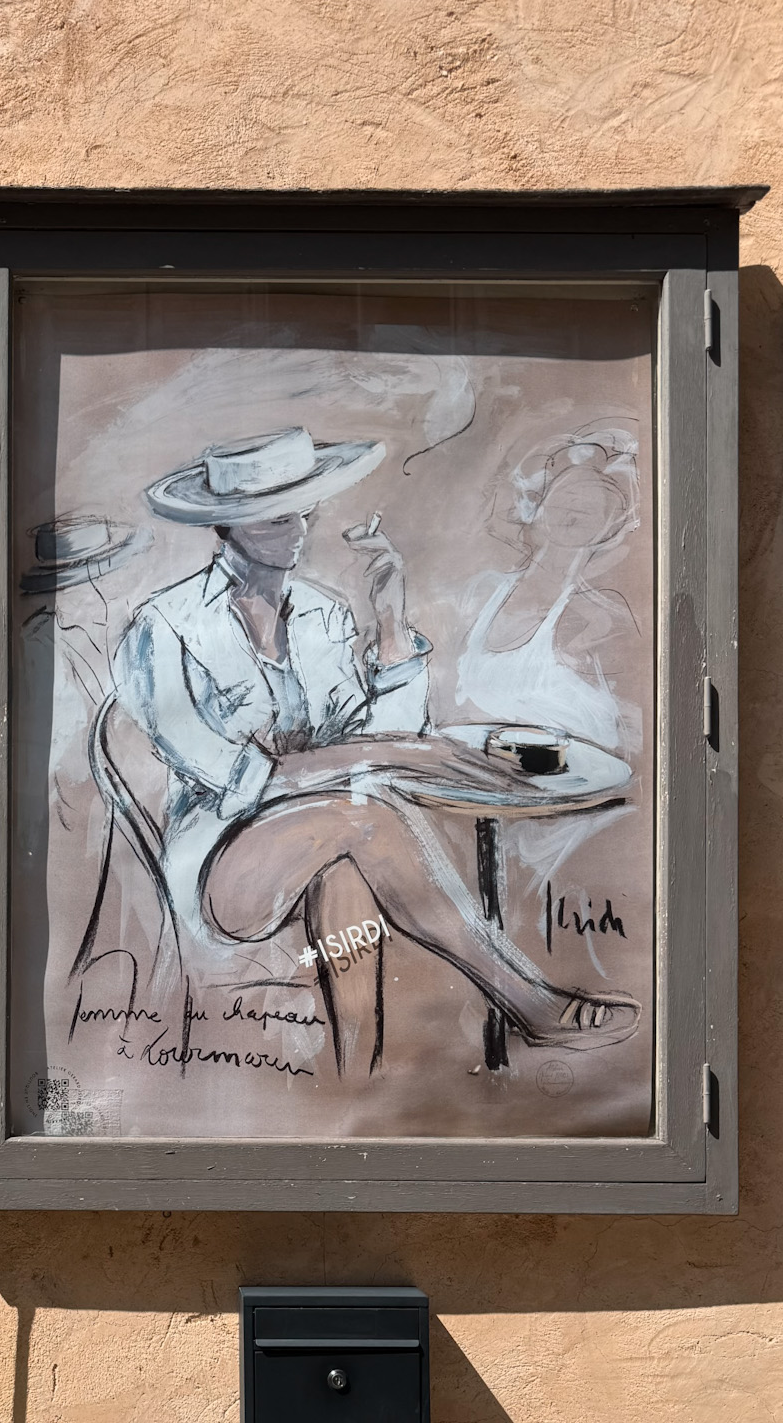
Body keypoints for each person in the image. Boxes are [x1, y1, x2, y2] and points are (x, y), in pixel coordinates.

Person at [113, 425, 638, 1073]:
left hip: (329, 833)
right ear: (231, 525)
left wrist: (391, 627)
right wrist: (364, 761)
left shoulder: (323, 615)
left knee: (350, 852)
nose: (299, 532)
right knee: (360, 819)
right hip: (221, 859)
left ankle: (354, 1076)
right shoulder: (163, 627)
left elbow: (381, 737)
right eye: (278, 519)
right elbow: (224, 770)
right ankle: (528, 1002)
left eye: (303, 512)